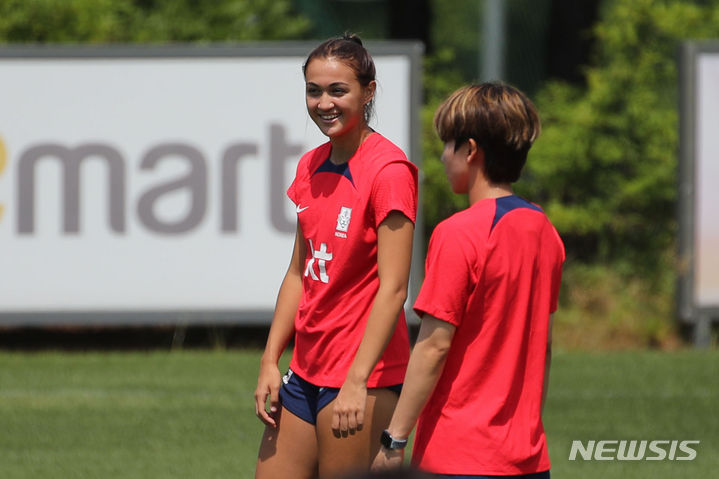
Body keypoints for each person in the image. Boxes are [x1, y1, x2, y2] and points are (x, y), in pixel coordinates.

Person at [371, 82, 565, 478]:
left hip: (458, 457)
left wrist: (394, 439)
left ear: (471, 150)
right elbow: (542, 345)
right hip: (528, 459)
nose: (442, 157)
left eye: (448, 145)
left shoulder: (458, 232)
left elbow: (433, 347)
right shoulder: (544, 229)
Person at [254, 33, 418, 479]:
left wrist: (357, 380)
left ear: (369, 91)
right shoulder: (309, 165)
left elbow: (395, 288)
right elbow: (297, 274)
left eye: (337, 90)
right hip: (304, 373)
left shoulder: (389, 171)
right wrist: (271, 358)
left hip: (363, 377)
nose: (323, 102)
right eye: (314, 90)